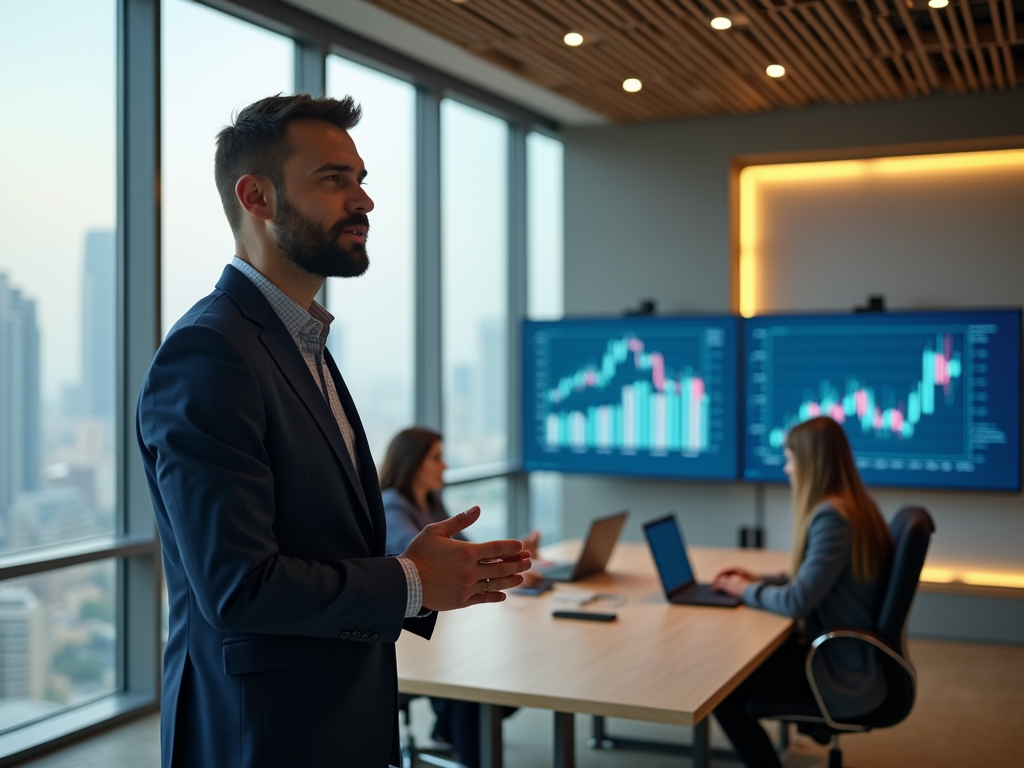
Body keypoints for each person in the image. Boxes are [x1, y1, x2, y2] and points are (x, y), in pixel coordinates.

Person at [136, 94, 532, 768]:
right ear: (256, 197)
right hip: (260, 732)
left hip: (332, 713)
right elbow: (237, 587)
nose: (364, 201)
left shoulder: (301, 342)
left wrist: (423, 566)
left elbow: (315, 537)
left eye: (361, 179)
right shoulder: (210, 353)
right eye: (334, 180)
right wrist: (410, 581)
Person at [711, 416, 894, 768]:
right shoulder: (855, 506)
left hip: (838, 665)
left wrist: (745, 589)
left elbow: (797, 601)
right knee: (737, 666)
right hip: (847, 652)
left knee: (722, 688)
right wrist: (760, 579)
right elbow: (816, 579)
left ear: (811, 463)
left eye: (790, 459)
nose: (786, 468)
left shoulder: (832, 517)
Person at [379, 427, 541, 768]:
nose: (445, 466)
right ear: (412, 464)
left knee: (503, 669)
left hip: (446, 627)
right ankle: (454, 730)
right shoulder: (393, 506)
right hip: (412, 636)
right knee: (481, 683)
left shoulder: (431, 502)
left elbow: (466, 554)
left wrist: (515, 559)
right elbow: (427, 566)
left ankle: (449, 728)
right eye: (436, 458)